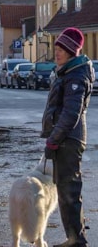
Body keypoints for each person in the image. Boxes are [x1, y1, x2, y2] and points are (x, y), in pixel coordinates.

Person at [42, 27, 94, 247]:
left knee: (70, 191)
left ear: (73, 50)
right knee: (65, 192)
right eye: (56, 47)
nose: (57, 51)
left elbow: (70, 113)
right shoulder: (67, 72)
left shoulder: (76, 75)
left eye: (62, 48)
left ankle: (77, 241)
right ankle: (73, 237)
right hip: (65, 139)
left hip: (68, 141)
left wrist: (54, 139)